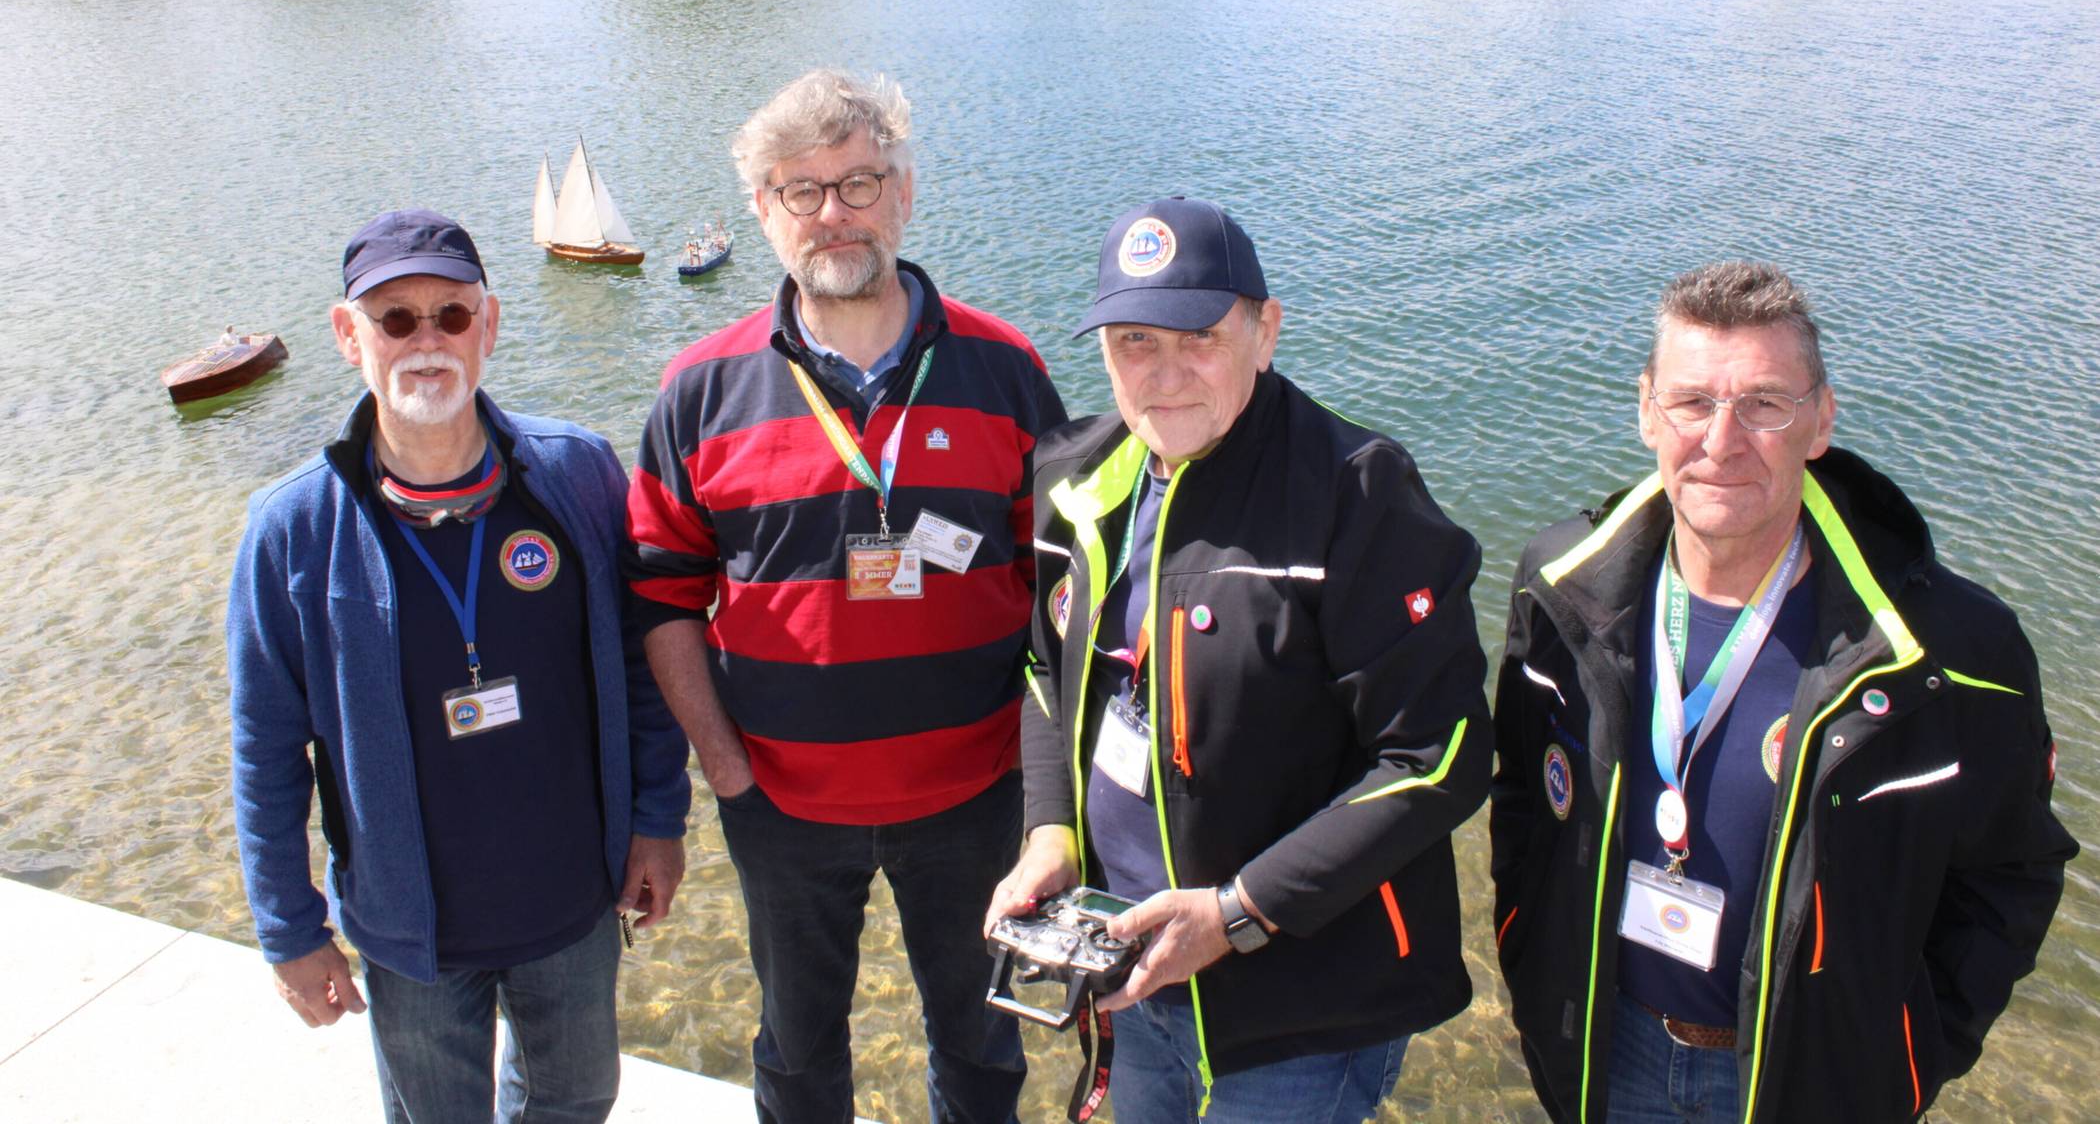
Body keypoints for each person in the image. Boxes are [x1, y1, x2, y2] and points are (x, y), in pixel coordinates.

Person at [1488, 261, 2075, 1124]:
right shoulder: (1560, 589)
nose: (1722, 441)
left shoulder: (1949, 649)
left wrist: (1908, 1052)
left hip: (1812, 1082)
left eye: (1764, 404)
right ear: (1647, 409)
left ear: (1821, 420)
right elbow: (1522, 806)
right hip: (1606, 1060)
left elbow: (2011, 873)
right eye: (1692, 402)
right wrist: (1532, 965)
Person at [986, 197, 1491, 1123]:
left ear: (1266, 334)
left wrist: (1237, 913)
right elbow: (1042, 676)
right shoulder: (1076, 480)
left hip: (1302, 1004)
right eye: (1136, 340)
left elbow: (1441, 757)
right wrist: (1050, 830)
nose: (1166, 374)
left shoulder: (1358, 495)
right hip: (1131, 969)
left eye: (1201, 337)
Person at [625, 70, 1065, 1123]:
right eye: (800, 191)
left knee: (980, 1038)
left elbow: (1062, 595)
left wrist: (1048, 792)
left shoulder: (1006, 369)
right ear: (763, 214)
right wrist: (729, 773)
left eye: (858, 181)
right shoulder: (699, 389)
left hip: (973, 797)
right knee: (798, 1046)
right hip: (782, 807)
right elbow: (661, 600)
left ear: (905, 192)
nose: (833, 212)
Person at [227, 210, 692, 1122]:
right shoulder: (291, 529)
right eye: (395, 320)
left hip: (574, 904)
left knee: (577, 1102)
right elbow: (265, 750)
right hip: (411, 934)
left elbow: (645, 672)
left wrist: (657, 819)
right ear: (346, 335)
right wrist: (289, 929)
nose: (426, 340)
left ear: (490, 326)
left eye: (451, 314)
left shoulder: (579, 476)